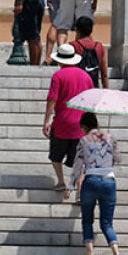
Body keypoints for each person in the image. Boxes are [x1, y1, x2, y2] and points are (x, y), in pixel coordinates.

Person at [68, 113, 123, 255]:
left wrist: (71, 185)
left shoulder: (84, 141)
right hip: (108, 181)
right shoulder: (110, 138)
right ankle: (116, 252)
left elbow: (77, 165)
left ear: (84, 127)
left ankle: (90, 254)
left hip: (91, 180)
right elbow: (118, 159)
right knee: (107, 223)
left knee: (87, 220)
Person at [43, 44, 93, 192]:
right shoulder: (86, 76)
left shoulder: (58, 76)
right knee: (80, 159)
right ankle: (79, 189)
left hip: (62, 123)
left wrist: (46, 121)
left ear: (59, 60)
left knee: (56, 156)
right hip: (81, 125)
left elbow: (52, 99)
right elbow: (92, 99)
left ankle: (61, 181)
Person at [70, 16, 108, 89]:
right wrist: (105, 90)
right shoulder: (99, 46)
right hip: (93, 88)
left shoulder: (73, 45)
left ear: (77, 30)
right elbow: (104, 74)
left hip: (78, 88)